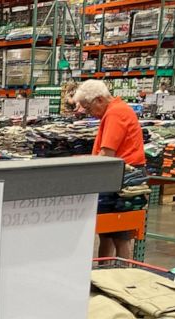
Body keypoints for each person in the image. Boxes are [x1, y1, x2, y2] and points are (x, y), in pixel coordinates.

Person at [73, 79, 146, 260]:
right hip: (119, 176)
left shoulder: (115, 113)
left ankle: (119, 274)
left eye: (88, 108)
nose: (89, 113)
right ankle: (105, 272)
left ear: (99, 99)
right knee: (107, 234)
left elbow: (107, 154)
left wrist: (84, 165)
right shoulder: (117, 110)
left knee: (120, 236)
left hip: (122, 180)